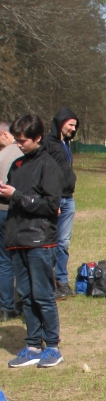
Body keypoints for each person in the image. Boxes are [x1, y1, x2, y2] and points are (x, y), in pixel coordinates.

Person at [1, 115, 64, 369]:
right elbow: (14, 198)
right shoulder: (16, 165)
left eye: (23, 140)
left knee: (42, 295)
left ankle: (52, 346)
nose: (19, 144)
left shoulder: (49, 166)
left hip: (40, 240)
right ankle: (33, 345)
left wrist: (16, 195)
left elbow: (51, 205)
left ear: (37, 137)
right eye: (16, 140)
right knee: (25, 296)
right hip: (17, 238)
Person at [43, 108, 78, 298]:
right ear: (60, 123)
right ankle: (50, 283)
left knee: (63, 242)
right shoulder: (48, 143)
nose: (73, 128)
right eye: (70, 125)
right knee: (51, 242)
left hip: (68, 199)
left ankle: (62, 281)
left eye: (75, 125)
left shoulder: (66, 144)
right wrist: (52, 199)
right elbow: (47, 173)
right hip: (55, 199)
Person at [0, 121, 23, 321]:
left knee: (4, 261)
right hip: (15, 211)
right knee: (22, 260)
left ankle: (6, 307)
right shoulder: (19, 153)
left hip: (0, 210)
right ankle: (24, 303)